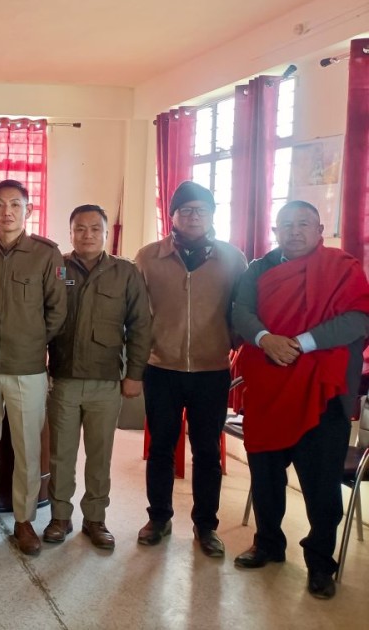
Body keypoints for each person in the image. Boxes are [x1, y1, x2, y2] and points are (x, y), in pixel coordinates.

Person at [231, 201, 369, 599]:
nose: (294, 231)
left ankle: (321, 562)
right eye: (286, 225)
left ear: (320, 228)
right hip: (269, 389)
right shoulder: (259, 269)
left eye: (303, 224)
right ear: (275, 230)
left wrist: (301, 344)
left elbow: (358, 317)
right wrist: (265, 339)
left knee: (323, 487)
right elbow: (241, 311)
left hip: (322, 393)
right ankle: (269, 544)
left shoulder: (342, 268)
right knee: (266, 477)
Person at [134, 180, 247, 556]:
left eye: (201, 209)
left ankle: (206, 526)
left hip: (211, 371)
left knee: (207, 453)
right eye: (185, 210)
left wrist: (227, 341)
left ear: (212, 215)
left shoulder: (233, 258)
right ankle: (159, 517)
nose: (193, 216)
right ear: (173, 216)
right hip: (161, 368)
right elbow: (136, 313)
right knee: (161, 448)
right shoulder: (149, 256)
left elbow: (241, 310)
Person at [0, 179, 66, 555]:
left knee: (26, 449)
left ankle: (24, 521)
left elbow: (58, 310)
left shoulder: (46, 254)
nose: (7, 212)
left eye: (15, 205)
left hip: (27, 367)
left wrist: (33, 341)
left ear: (28, 210)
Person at [45, 205, 151, 550]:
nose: (87, 235)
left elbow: (140, 325)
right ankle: (60, 517)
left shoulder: (125, 272)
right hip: (63, 377)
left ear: (106, 233)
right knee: (61, 453)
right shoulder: (57, 268)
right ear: (70, 231)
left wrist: (134, 373)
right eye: (80, 229)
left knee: (100, 454)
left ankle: (95, 519)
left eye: (94, 229)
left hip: (106, 380)